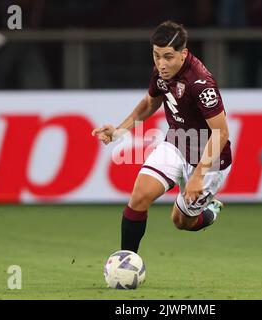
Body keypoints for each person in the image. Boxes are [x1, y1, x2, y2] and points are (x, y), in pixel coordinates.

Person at [92, 21, 232, 253]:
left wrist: (198, 176)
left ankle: (210, 212)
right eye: (156, 56)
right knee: (139, 196)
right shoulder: (161, 71)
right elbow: (150, 103)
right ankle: (126, 261)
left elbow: (222, 132)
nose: (161, 64)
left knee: (181, 222)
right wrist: (118, 131)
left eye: (168, 57)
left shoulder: (201, 84)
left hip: (209, 158)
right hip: (176, 144)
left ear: (183, 53)